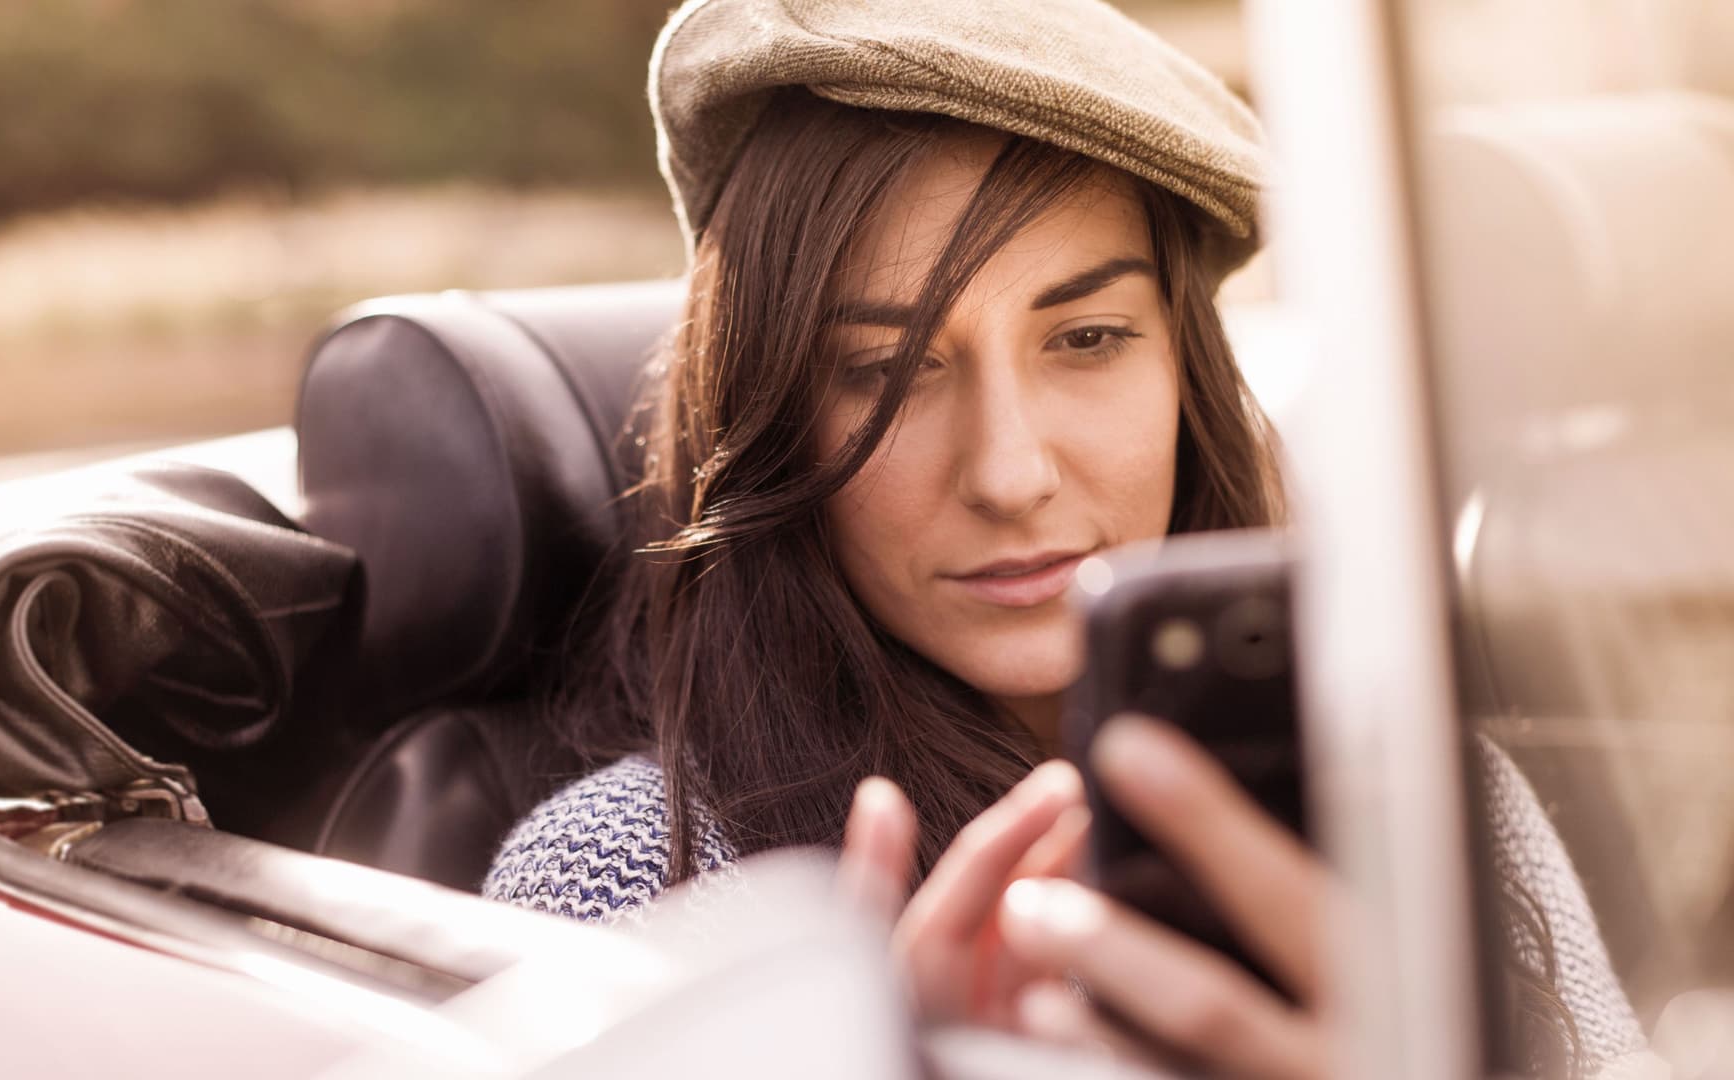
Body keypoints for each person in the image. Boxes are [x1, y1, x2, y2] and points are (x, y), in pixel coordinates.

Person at [482, 1, 1644, 1074]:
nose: (1009, 474)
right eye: (885, 370)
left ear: (1188, 365)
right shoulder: (635, 877)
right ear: (772, 414)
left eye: (1086, 340)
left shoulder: (1428, 791)